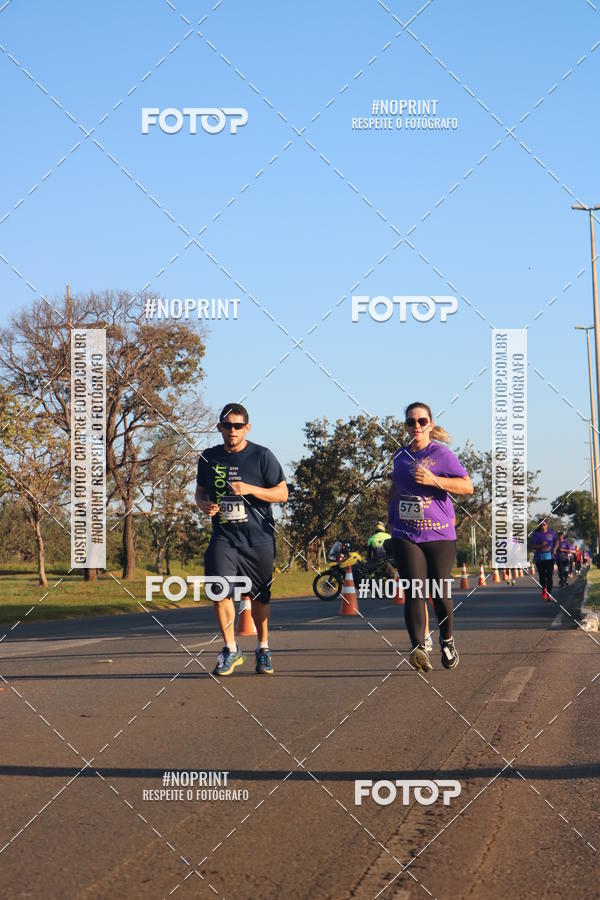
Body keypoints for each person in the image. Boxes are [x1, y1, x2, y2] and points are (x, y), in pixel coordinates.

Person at [195, 404, 288, 676]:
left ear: (247, 427)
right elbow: (200, 492)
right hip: (224, 536)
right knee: (218, 589)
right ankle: (231, 648)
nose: (232, 430)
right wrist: (203, 505)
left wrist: (250, 489)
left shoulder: (261, 456)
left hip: (258, 538)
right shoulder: (209, 457)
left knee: (260, 598)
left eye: (238, 426)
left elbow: (282, 494)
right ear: (219, 428)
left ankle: (263, 648)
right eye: (227, 425)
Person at [388, 402, 473, 673]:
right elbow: (396, 488)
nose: (416, 426)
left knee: (439, 593)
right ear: (405, 426)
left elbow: (467, 486)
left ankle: (447, 640)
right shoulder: (399, 456)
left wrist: (435, 480)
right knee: (414, 589)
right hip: (405, 533)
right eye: (411, 422)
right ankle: (419, 648)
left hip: (438, 534)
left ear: (430, 424)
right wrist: (390, 519)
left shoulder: (442, 454)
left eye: (422, 421)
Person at [530, 520, 558, 600]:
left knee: (549, 576)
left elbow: (556, 542)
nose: (543, 526)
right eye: (541, 525)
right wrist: (541, 546)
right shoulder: (536, 534)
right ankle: (544, 590)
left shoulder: (551, 533)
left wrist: (555, 549)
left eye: (544, 524)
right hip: (539, 558)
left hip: (550, 557)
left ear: (547, 525)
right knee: (542, 576)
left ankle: (549, 593)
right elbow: (533, 546)